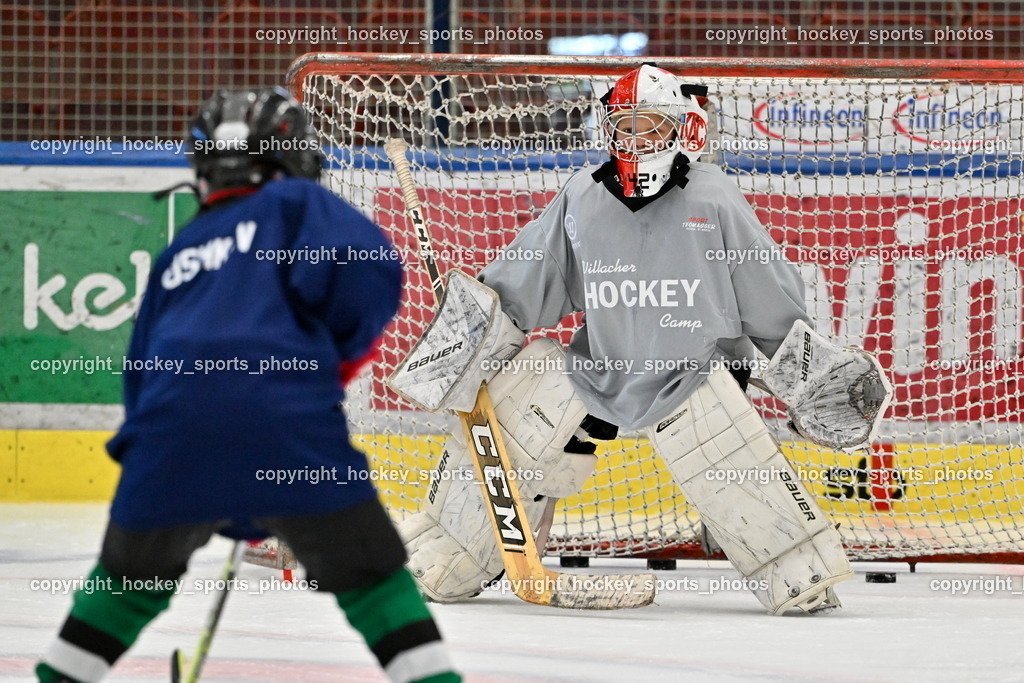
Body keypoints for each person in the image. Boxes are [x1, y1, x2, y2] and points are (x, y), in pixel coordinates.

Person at [390, 64, 889, 615]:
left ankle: (799, 573)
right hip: (598, 368)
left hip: (694, 373)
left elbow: (765, 291)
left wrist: (812, 373)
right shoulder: (583, 195)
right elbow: (534, 271)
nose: (637, 139)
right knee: (512, 413)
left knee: (747, 490)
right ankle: (447, 552)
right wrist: (474, 328)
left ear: (681, 129)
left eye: (651, 126)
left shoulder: (713, 198)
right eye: (625, 127)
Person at [37, 87, 460, 683]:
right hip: (287, 428)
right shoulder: (295, 202)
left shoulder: (180, 251)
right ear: (294, 158)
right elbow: (370, 267)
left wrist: (166, 458)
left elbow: (142, 373)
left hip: (168, 442)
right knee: (372, 580)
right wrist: (325, 363)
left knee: (124, 585)